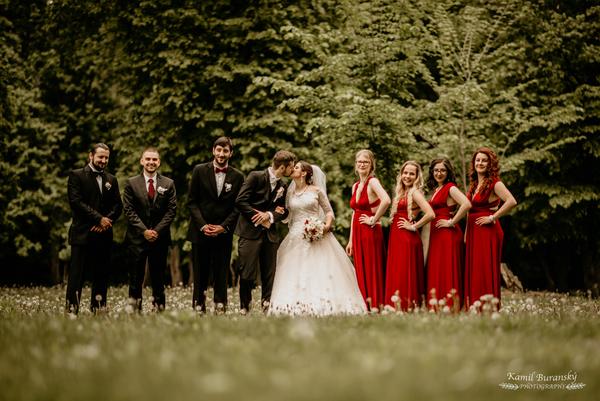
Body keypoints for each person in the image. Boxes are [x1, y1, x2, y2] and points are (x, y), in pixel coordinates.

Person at [269, 161, 367, 316]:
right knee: (293, 269)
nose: (292, 169)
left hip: (316, 234)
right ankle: (290, 306)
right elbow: (287, 214)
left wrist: (325, 226)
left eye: (296, 167)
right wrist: (277, 212)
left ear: (304, 173)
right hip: (295, 235)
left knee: (319, 268)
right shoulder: (289, 192)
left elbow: (329, 212)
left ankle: (324, 304)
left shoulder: (316, 190)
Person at [187, 137, 244, 313]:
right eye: (218, 150)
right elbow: (192, 202)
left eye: (225, 150)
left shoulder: (238, 176)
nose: (221, 154)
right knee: (200, 274)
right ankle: (199, 308)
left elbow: (238, 207)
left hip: (223, 234)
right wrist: (203, 225)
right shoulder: (199, 170)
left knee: (221, 274)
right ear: (213, 151)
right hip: (200, 232)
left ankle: (220, 308)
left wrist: (223, 227)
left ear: (230, 153)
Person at [235, 150, 296, 314]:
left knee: (269, 274)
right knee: (247, 272)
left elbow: (284, 210)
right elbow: (240, 201)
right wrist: (259, 217)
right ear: (282, 167)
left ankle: (266, 308)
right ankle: (244, 308)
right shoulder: (255, 176)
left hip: (270, 235)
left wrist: (269, 215)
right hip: (249, 233)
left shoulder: (283, 186)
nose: (292, 169)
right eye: (291, 167)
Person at [66, 143, 122, 314]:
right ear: (91, 156)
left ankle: (98, 310)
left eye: (106, 157)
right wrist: (99, 219)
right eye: (100, 157)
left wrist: (106, 222)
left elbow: (118, 206)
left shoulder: (111, 179)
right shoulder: (76, 175)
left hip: (103, 234)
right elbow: (76, 202)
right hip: (82, 234)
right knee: (77, 276)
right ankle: (71, 311)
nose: (103, 160)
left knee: (101, 275)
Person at [122, 147, 177, 312]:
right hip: (137, 239)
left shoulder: (168, 183)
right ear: (142, 161)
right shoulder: (131, 183)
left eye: (154, 159)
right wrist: (144, 231)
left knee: (158, 279)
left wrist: (156, 231)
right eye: (148, 159)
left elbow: (171, 211)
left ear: (159, 162)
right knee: (135, 279)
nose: (151, 162)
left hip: (160, 238)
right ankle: (134, 311)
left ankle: (159, 310)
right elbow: (129, 210)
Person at [464, 147, 517, 308]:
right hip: (474, 231)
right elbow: (469, 211)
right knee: (475, 269)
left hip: (487, 231)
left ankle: (487, 306)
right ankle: (475, 304)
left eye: (484, 160)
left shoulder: (495, 183)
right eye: (477, 160)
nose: (480, 163)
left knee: (484, 268)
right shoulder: (474, 184)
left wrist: (493, 217)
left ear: (490, 164)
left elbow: (511, 201)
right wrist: (466, 234)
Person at [385, 161, 435, 310]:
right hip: (397, 237)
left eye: (411, 174)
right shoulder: (402, 192)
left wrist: (414, 226)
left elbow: (431, 214)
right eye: (405, 173)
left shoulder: (415, 193)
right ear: (401, 174)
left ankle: (407, 305)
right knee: (398, 271)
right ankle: (396, 305)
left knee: (405, 272)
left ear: (417, 176)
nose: (407, 176)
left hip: (407, 238)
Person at [346, 149, 390, 310]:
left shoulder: (373, 182)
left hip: (370, 231)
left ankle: (376, 304)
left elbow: (386, 200)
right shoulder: (355, 186)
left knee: (372, 267)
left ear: (371, 165)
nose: (362, 164)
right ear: (355, 165)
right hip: (357, 233)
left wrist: (374, 219)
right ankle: (364, 304)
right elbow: (354, 213)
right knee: (360, 267)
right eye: (359, 162)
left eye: (366, 162)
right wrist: (350, 240)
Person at [425, 158, 471, 309]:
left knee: (447, 267)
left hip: (448, 234)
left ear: (448, 172)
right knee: (439, 268)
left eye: (443, 170)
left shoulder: (450, 187)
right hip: (437, 234)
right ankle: (439, 302)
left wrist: (452, 221)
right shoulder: (437, 189)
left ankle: (451, 304)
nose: (439, 173)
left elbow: (466, 204)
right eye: (436, 170)